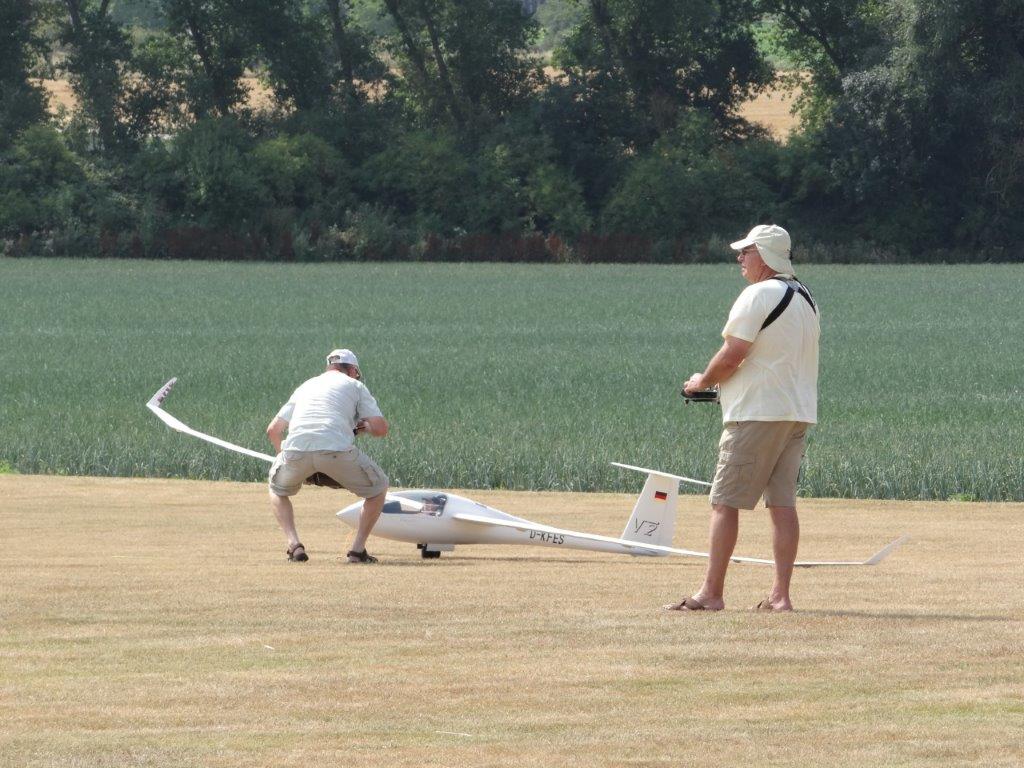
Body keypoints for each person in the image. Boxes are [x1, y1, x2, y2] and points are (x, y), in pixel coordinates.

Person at [668, 224, 819, 612]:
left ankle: (711, 593)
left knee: (724, 502)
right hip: (797, 413)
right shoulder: (806, 298)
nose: (740, 258)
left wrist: (701, 382)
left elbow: (732, 355)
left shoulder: (758, 294)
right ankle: (780, 596)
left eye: (746, 251)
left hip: (756, 414)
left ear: (764, 256)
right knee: (782, 504)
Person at [266, 348, 390, 564]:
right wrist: (366, 427)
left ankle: (294, 544)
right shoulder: (355, 386)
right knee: (378, 489)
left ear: (330, 366)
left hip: (295, 452)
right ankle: (357, 551)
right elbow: (381, 429)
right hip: (335, 451)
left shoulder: (306, 386)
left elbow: (273, 430)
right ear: (352, 370)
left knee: (277, 489)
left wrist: (286, 459)